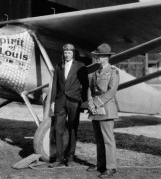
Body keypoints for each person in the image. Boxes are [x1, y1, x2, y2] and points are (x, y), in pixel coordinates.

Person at [49, 43, 87, 168]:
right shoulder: (59, 66)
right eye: (65, 52)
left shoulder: (80, 66)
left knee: (72, 129)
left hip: (74, 102)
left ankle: (70, 157)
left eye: (69, 52)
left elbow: (85, 85)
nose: (66, 54)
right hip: (60, 101)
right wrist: (53, 102)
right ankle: (59, 159)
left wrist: (83, 102)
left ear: (73, 53)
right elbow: (55, 85)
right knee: (58, 130)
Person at [86, 43, 120, 178]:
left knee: (108, 140)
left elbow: (111, 92)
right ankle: (101, 165)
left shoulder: (113, 72)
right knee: (99, 139)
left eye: (99, 56)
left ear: (106, 57)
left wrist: (96, 103)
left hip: (106, 109)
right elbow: (90, 88)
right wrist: (90, 102)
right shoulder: (95, 72)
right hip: (95, 110)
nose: (96, 58)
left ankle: (111, 167)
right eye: (96, 56)